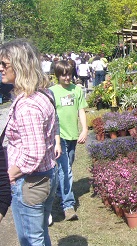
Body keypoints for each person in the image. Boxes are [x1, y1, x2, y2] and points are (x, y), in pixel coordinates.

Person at [0, 39, 61, 244]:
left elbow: (33, 153)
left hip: (31, 182)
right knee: (40, 235)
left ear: (20, 66)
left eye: (4, 64)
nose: (0, 68)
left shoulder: (28, 106)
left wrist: (10, 176)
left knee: (31, 239)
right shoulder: (44, 93)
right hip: (45, 176)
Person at [50, 60, 88, 221]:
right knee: (66, 169)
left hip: (73, 135)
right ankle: (68, 206)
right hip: (59, 136)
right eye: (63, 75)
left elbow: (81, 110)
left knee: (66, 167)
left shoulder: (76, 90)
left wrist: (85, 129)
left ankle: (59, 192)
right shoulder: (51, 92)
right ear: (58, 75)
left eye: (69, 74)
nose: (67, 78)